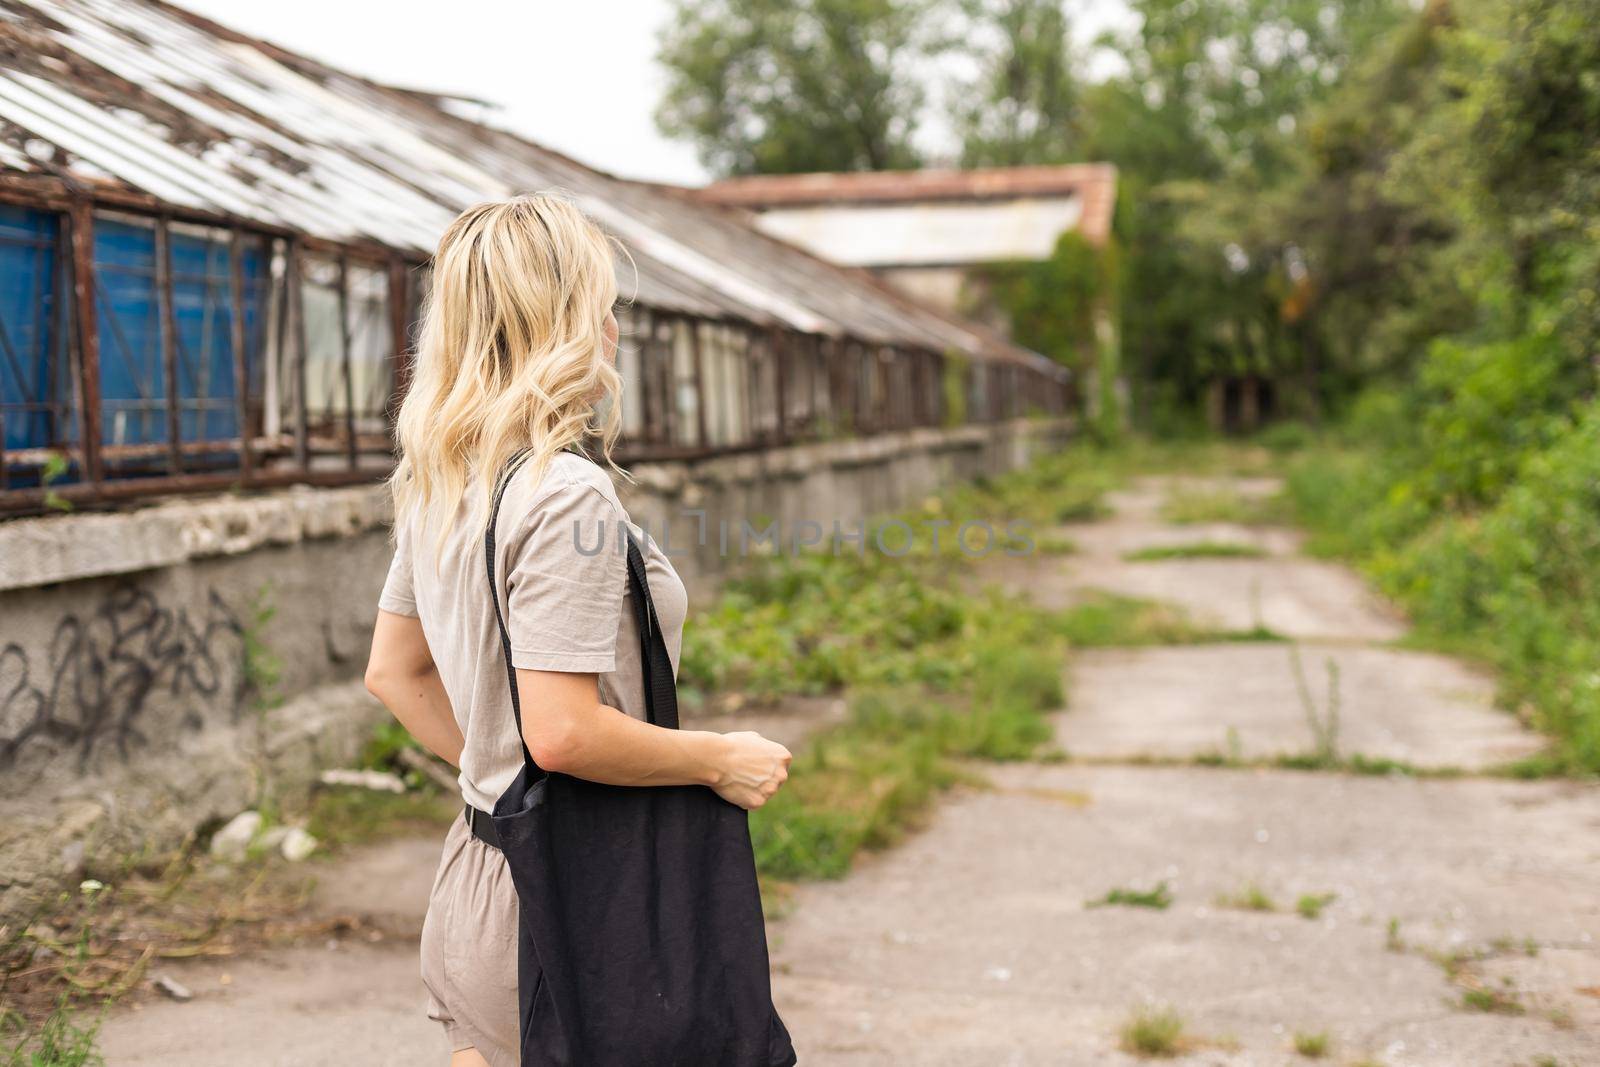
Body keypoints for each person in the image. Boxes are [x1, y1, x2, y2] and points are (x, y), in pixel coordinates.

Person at [363, 194, 793, 1067]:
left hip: (480, 876)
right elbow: (561, 731)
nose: (614, 327)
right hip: (570, 896)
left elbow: (393, 673)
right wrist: (721, 757)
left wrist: (496, 774)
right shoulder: (562, 494)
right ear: (560, 320)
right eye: (603, 303)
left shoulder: (447, 479)